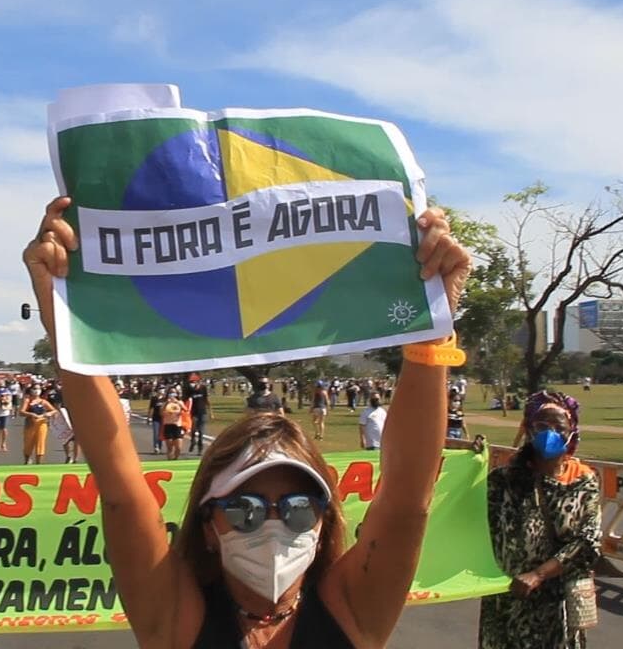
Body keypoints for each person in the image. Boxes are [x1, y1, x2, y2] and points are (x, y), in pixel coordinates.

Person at [24, 196, 470, 648]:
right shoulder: (175, 616)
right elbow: (120, 489)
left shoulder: (354, 609)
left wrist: (433, 325)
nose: (273, 527)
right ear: (208, 529)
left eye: (299, 509)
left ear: (323, 521)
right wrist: (64, 320)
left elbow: (407, 499)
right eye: (244, 510)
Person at [479, 391, 602, 648]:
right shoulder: (502, 480)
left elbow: (588, 541)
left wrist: (538, 574)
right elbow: (475, 525)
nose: (550, 433)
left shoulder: (583, 480)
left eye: (559, 427)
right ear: (528, 430)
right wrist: (470, 456)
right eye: (541, 426)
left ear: (572, 431)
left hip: (556, 601)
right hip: (506, 599)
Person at [20, 384, 57, 464]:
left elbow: (54, 410)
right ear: (31, 390)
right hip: (30, 424)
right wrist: (31, 414)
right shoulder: (27, 400)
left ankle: (39, 463)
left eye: (38, 389)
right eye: (35, 389)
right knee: (28, 443)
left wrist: (48, 414)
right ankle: (27, 459)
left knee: (41, 442)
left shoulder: (43, 401)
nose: (37, 391)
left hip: (42, 423)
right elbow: (21, 412)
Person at [186, 374, 213, 455]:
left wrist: (211, 412)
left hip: (202, 412)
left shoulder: (203, 388)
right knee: (193, 429)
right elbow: (187, 401)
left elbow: (207, 400)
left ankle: (200, 449)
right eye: (191, 382)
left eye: (194, 382)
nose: (192, 383)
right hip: (194, 413)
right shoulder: (190, 390)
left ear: (198, 382)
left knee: (201, 432)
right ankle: (193, 441)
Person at [161, 388, 185, 460]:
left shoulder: (180, 402)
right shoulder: (165, 403)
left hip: (177, 425)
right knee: (170, 446)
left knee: (179, 447)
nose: (172, 394)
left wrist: (178, 402)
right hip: (168, 425)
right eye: (171, 392)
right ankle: (169, 460)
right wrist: (166, 404)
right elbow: (161, 413)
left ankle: (175, 459)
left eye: (174, 393)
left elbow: (185, 410)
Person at [0, 384, 14, 452]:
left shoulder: (8, 393)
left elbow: (10, 402)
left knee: (4, 429)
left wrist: (5, 400)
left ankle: (3, 444)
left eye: (2, 387)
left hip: (5, 413)